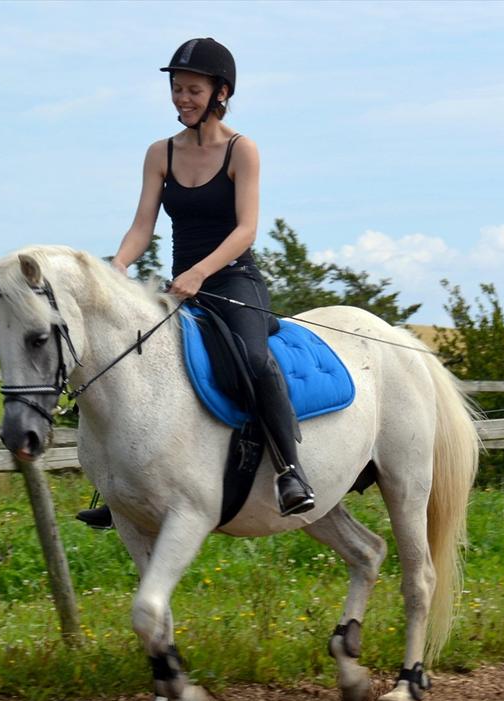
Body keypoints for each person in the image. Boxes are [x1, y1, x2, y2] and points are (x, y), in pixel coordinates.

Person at [76, 37, 315, 529]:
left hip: (233, 280)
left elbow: (247, 228)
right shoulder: (160, 153)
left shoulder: (241, 150)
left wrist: (202, 271)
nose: (182, 98)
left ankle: (292, 472)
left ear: (220, 92)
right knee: (129, 356)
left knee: (253, 360)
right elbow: (143, 225)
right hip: (180, 285)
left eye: (192, 89)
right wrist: (116, 267)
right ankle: (116, 484)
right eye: (176, 88)